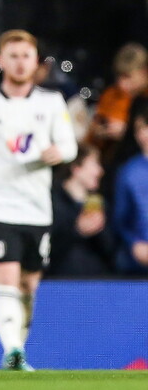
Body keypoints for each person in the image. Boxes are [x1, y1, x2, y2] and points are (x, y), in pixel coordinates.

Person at [0, 29, 77, 370]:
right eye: (13, 55)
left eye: (26, 56)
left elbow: (70, 145)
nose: (20, 63)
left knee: (28, 286)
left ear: (36, 62)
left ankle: (17, 349)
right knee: (5, 278)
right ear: (0, 61)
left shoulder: (51, 103)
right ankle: (11, 350)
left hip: (37, 209)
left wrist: (58, 152)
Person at [48, 144, 115, 277]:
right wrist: (76, 230)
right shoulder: (51, 201)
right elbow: (46, 247)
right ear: (76, 168)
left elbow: (111, 250)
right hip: (57, 284)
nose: (100, 171)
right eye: (95, 164)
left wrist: (100, 229)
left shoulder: (98, 203)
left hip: (97, 283)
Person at [113, 104, 148, 275]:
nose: (145, 134)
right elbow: (121, 218)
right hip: (138, 260)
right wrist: (134, 243)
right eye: (141, 128)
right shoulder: (129, 172)